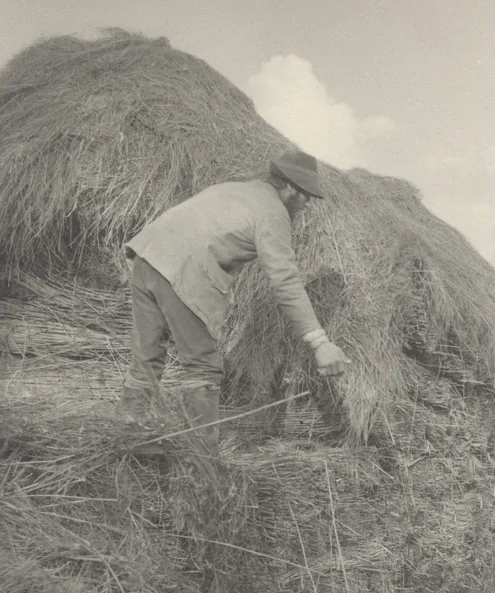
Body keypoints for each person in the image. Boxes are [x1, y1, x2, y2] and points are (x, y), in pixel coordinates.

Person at [118, 149, 350, 446]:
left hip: (146, 257)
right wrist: (319, 342)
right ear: (290, 187)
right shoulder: (273, 212)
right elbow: (285, 280)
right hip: (182, 269)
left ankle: (126, 437)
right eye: (306, 195)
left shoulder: (232, 189)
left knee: (146, 358)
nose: (307, 203)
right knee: (203, 368)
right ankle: (200, 458)